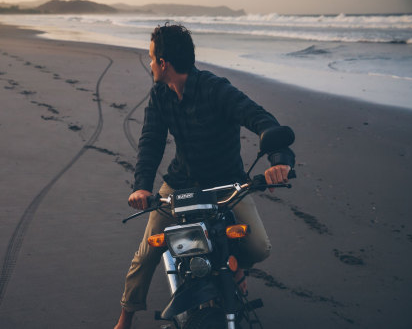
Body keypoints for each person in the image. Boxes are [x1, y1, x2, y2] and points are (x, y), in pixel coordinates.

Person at [114, 24, 295, 329]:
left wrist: (280, 161)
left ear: (164, 64)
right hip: (180, 184)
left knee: (259, 247)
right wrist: (142, 187)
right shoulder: (160, 95)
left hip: (227, 186)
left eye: (151, 58)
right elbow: (151, 141)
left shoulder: (216, 89)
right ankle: (124, 319)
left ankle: (235, 265)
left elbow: (260, 119)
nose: (149, 64)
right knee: (146, 255)